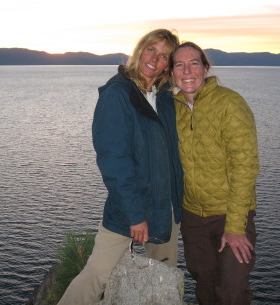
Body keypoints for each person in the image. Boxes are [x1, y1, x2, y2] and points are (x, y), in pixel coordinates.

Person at [57, 29, 184, 305]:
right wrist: (135, 215)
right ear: (140, 50)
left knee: (162, 275)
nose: (155, 59)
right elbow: (114, 162)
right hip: (129, 210)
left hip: (166, 209)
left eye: (164, 56)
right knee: (97, 274)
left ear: (168, 65)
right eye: (152, 49)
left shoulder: (164, 97)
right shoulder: (117, 94)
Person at [171, 41, 259, 305]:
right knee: (204, 286)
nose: (187, 71)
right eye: (179, 65)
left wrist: (234, 227)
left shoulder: (229, 103)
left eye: (194, 63)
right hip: (193, 218)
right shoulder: (172, 108)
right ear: (172, 73)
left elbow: (246, 166)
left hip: (229, 215)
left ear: (206, 68)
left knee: (231, 291)